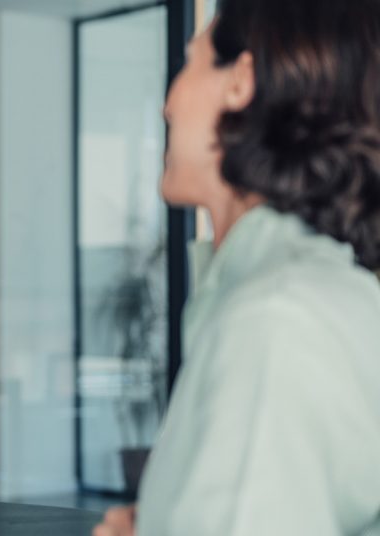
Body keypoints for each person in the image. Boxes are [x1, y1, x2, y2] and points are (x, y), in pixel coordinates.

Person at [94, 0, 380, 534]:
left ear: (240, 81)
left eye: (191, 62)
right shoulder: (311, 293)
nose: (168, 104)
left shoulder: (275, 320)